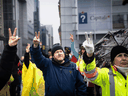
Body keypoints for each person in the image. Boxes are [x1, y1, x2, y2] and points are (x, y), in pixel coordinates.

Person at [30, 32, 87, 96]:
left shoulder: (73, 66)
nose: (59, 53)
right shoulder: (48, 64)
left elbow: (81, 86)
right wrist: (35, 46)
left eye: (61, 51)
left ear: (64, 54)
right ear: (53, 56)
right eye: (56, 52)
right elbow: (38, 58)